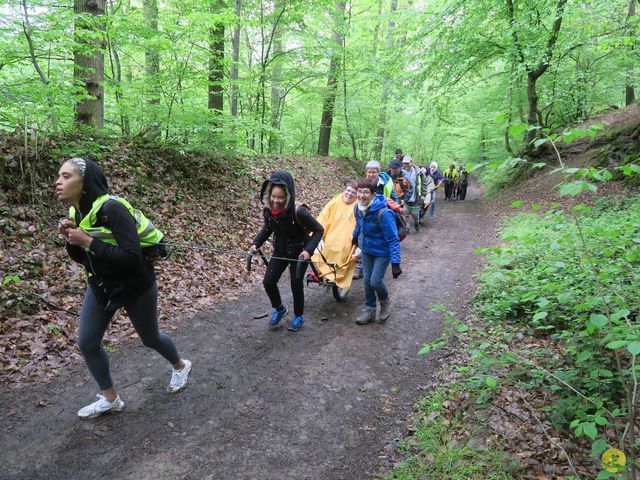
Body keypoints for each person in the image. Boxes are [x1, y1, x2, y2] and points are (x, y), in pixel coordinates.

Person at [55, 157, 192, 419]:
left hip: (135, 284)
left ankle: (181, 365)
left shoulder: (113, 209)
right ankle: (111, 399)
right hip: (102, 285)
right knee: (87, 342)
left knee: (150, 338)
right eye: (59, 176)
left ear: (85, 183)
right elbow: (84, 257)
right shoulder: (77, 213)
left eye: (66, 176)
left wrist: (87, 240)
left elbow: (132, 258)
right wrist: (72, 240)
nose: (58, 182)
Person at [249, 171, 324, 332]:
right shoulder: (269, 210)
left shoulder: (299, 212)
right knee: (268, 281)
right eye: (273, 196)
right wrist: (256, 243)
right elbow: (268, 227)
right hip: (280, 250)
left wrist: (308, 251)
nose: (276, 201)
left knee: (295, 284)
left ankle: (298, 316)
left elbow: (319, 230)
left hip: (299, 253)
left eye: (280, 197)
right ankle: (280, 309)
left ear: (288, 196)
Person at [352, 179, 401, 325]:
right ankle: (369, 309)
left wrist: (396, 262)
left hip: (382, 252)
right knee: (367, 281)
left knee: (375, 281)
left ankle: (385, 302)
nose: (361, 195)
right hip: (366, 249)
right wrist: (355, 237)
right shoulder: (358, 207)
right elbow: (359, 222)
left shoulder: (384, 213)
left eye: (366, 192)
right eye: (359, 192)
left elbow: (393, 239)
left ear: (373, 194)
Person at [310, 180, 358, 293]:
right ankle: (327, 275)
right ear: (344, 190)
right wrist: (317, 236)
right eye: (348, 191)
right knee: (326, 249)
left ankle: (338, 278)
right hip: (332, 233)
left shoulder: (357, 206)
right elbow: (324, 216)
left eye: (353, 192)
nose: (350, 194)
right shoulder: (335, 201)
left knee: (344, 252)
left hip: (348, 236)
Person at [401, 156, 427, 232]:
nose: (406, 165)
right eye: (404, 163)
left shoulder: (419, 172)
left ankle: (416, 223)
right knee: (406, 213)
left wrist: (423, 194)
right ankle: (407, 227)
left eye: (407, 163)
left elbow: (423, 184)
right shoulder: (401, 172)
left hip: (416, 196)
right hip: (406, 197)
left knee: (415, 214)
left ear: (411, 162)